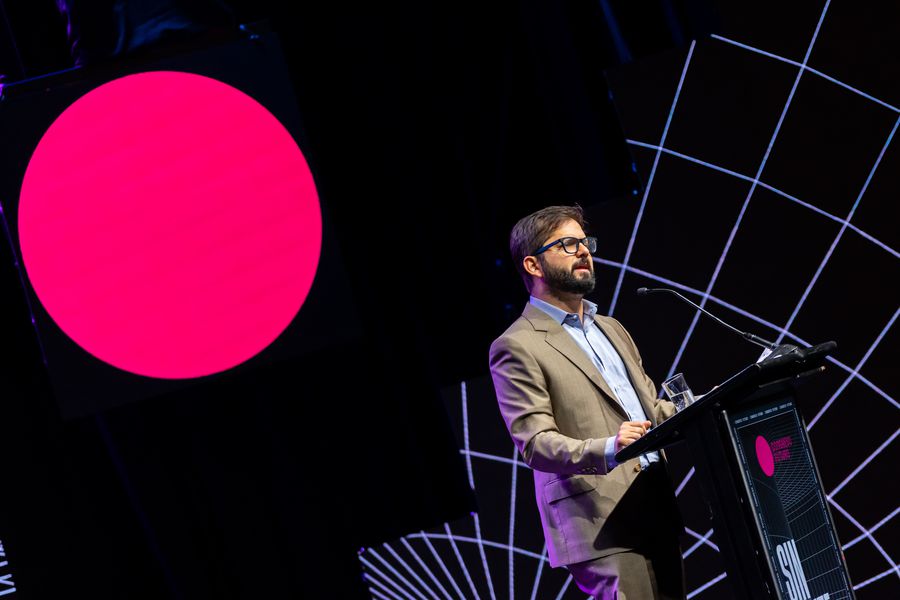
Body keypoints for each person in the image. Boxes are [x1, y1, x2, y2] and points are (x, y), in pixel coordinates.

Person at [489, 205, 683, 599]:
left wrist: (710, 404)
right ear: (533, 264)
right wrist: (610, 447)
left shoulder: (610, 328)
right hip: (599, 520)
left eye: (585, 242)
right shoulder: (516, 345)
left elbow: (649, 407)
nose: (584, 252)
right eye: (567, 244)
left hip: (655, 502)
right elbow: (535, 442)